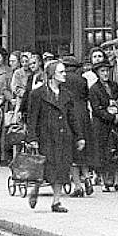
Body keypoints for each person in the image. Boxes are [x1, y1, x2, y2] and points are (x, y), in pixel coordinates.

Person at [25, 60, 86, 213]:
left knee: (61, 168)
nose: (65, 74)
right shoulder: (38, 94)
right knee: (46, 167)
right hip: (46, 136)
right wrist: (31, 138)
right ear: (52, 75)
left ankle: (56, 201)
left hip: (64, 136)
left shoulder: (67, 94)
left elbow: (72, 117)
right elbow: (32, 118)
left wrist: (79, 136)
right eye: (61, 72)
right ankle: (36, 189)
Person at [62, 55, 96, 197]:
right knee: (82, 150)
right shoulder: (82, 80)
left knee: (71, 152)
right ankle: (87, 177)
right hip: (83, 115)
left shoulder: (62, 80)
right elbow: (86, 96)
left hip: (69, 116)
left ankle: (77, 186)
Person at [88, 60, 118, 191]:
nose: (105, 74)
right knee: (102, 152)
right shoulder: (94, 89)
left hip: (115, 123)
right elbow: (96, 109)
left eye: (107, 71)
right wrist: (111, 117)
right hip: (102, 124)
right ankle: (104, 181)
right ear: (97, 73)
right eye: (102, 71)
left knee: (117, 150)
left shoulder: (114, 86)